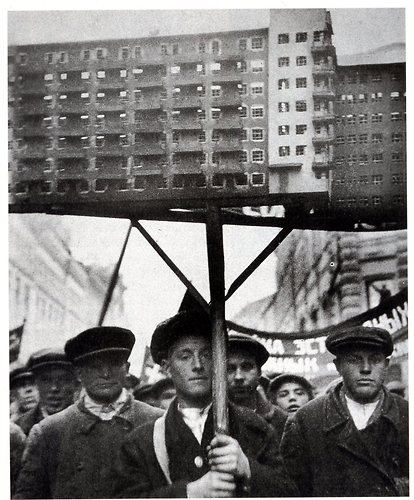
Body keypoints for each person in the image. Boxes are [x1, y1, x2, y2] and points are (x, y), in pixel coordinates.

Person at [113, 310, 297, 498]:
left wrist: (248, 468)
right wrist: (188, 493)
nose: (198, 365)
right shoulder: (141, 443)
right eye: (185, 356)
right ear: (166, 367)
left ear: (219, 361)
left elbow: (290, 493)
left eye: (207, 355)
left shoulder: (255, 427)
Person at [14, 326, 163, 499]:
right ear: (79, 374)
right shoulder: (49, 432)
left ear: (127, 368)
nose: (106, 374)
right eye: (95, 366)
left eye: (114, 364)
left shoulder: (157, 422)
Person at [280, 326, 409, 496]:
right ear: (338, 366)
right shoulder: (306, 421)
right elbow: (291, 492)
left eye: (375, 360)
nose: (365, 368)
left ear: (386, 365)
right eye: (355, 360)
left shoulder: (407, 415)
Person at [227, 332, 288, 444]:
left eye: (246, 367)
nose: (238, 377)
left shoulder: (281, 420)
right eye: (229, 369)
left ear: (259, 372)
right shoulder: (204, 418)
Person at [15, 349, 78, 435]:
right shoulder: (19, 428)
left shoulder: (91, 424)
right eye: (45, 380)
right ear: (36, 383)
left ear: (75, 383)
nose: (54, 388)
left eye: (63, 379)